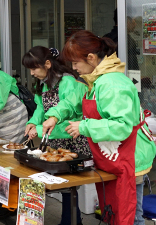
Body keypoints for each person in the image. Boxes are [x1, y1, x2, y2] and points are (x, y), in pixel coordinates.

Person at [42, 30, 156, 225]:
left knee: (130, 216)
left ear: (92, 58)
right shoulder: (96, 80)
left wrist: (84, 126)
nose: (74, 68)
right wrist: (55, 115)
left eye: (76, 63)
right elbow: (74, 102)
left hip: (130, 158)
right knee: (113, 211)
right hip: (112, 157)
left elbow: (122, 125)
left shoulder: (112, 83)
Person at [22, 46, 90, 225]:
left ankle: (70, 221)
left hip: (72, 139)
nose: (32, 73)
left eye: (34, 68)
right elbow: (40, 108)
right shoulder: (44, 83)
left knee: (69, 186)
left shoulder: (68, 82)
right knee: (64, 186)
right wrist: (32, 122)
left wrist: (40, 126)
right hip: (55, 139)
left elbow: (68, 109)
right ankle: (71, 221)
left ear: (47, 63)